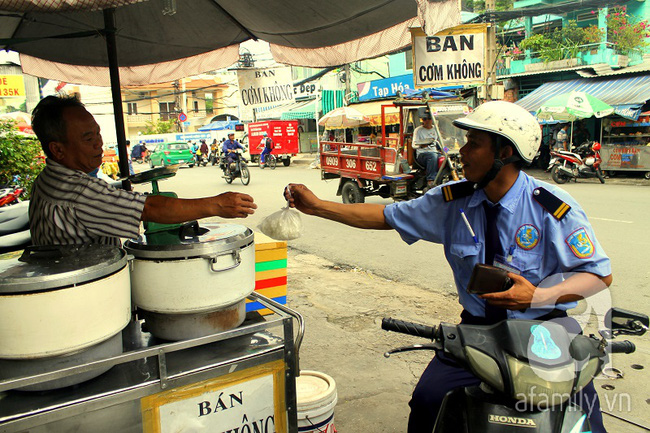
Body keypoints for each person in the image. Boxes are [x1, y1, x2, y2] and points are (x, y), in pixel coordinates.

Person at [284, 101, 611, 433]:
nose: (463, 151)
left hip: (546, 333)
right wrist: (318, 207)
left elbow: (599, 275)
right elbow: (386, 216)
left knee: (582, 416)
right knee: (428, 401)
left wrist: (539, 296)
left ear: (506, 151)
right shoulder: (451, 201)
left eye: (474, 143)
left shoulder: (552, 208)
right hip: (478, 333)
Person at [29, 95, 256, 247]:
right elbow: (149, 208)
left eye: (98, 134)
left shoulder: (48, 178)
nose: (99, 144)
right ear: (57, 149)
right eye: (88, 138)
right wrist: (216, 204)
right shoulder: (76, 190)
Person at [413, 108, 441, 189]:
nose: (427, 121)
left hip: (435, 152)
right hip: (422, 155)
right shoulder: (418, 130)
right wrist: (422, 146)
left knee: (445, 158)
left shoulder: (436, 129)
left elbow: (441, 144)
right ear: (422, 120)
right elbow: (414, 145)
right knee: (432, 156)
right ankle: (431, 179)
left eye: (429, 119)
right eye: (425, 119)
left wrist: (447, 151)